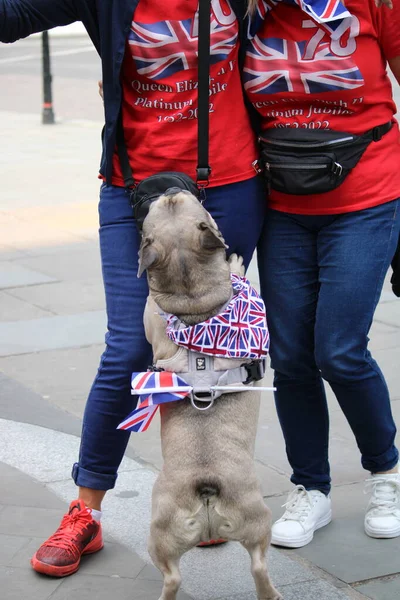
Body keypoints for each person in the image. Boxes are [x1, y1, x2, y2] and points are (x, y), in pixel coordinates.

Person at [0, 0, 266, 576]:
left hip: (228, 186)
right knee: (127, 348)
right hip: (132, 192)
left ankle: (207, 498)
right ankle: (86, 513)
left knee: (216, 349)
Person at [245, 0, 400, 548]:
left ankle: (385, 472)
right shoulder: (247, 11)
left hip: (367, 198)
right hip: (283, 208)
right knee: (289, 356)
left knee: (338, 349)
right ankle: (311, 487)